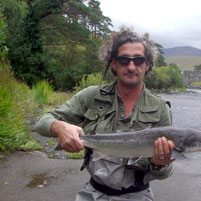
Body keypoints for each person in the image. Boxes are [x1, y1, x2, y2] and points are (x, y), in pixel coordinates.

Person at [35, 26, 175, 201]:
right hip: (93, 194)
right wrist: (59, 126)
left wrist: (160, 164)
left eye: (138, 60)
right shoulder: (91, 96)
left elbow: (164, 174)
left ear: (147, 64)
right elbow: (42, 121)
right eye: (124, 60)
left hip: (139, 195)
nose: (131, 66)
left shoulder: (161, 108)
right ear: (114, 64)